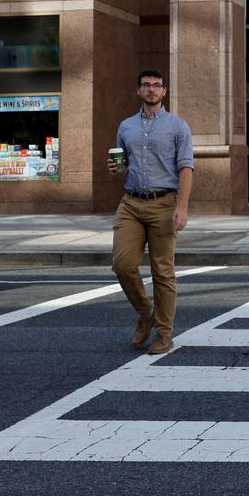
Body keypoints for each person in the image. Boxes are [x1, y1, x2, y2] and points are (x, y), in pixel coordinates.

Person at [106, 69, 194, 355]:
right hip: (131, 203)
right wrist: (114, 168)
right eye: (146, 85)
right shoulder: (126, 126)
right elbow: (122, 163)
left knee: (162, 272)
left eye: (157, 85)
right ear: (138, 90)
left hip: (164, 204)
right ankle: (146, 312)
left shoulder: (177, 126)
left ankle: (164, 335)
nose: (152, 89)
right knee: (123, 265)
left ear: (164, 92)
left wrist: (182, 207)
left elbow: (186, 168)